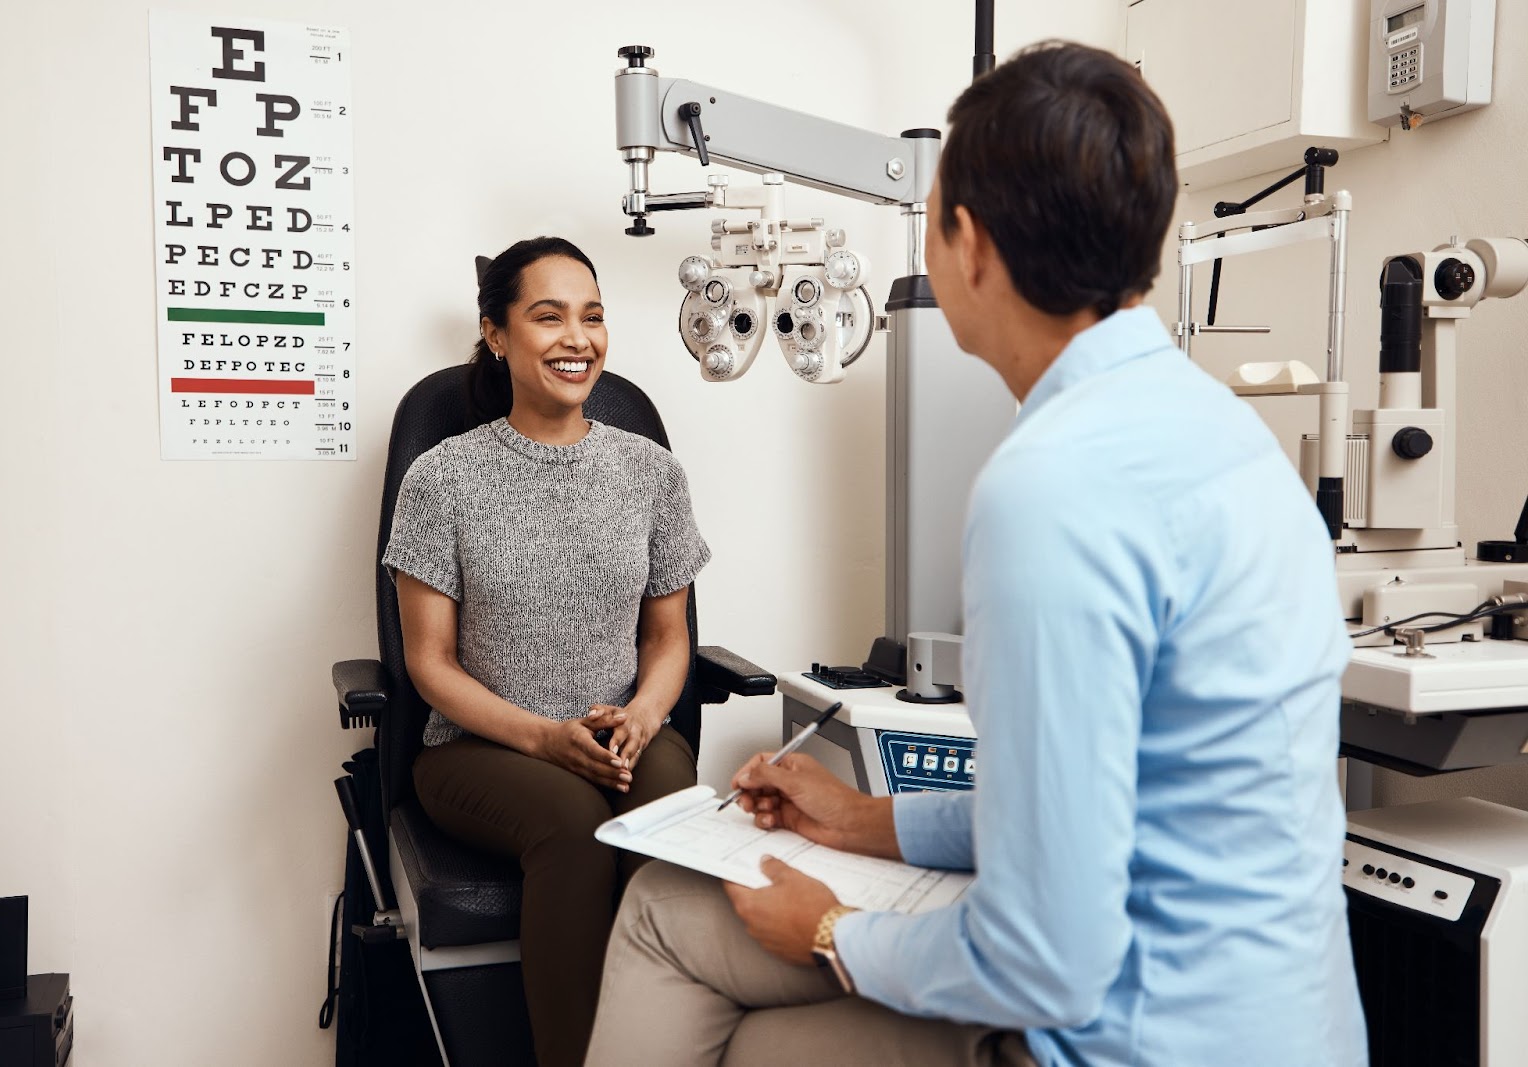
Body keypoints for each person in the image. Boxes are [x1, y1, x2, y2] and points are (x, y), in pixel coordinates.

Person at [585, 42, 1368, 1067]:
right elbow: (1097, 804)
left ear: (972, 244)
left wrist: (832, 932)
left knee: (682, 945)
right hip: (1289, 1019)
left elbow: (1047, 956)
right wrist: (866, 819)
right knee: (718, 971)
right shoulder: (1229, 439)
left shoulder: (1049, 486)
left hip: (1135, 1032)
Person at [381, 236, 710, 1067]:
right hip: (478, 749)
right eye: (548, 315)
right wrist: (542, 737)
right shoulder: (442, 477)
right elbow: (430, 663)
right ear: (496, 333)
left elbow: (668, 638)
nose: (579, 337)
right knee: (569, 825)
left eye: (593, 316)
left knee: (673, 823)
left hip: (621, 732)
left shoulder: (651, 471)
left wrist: (641, 714)